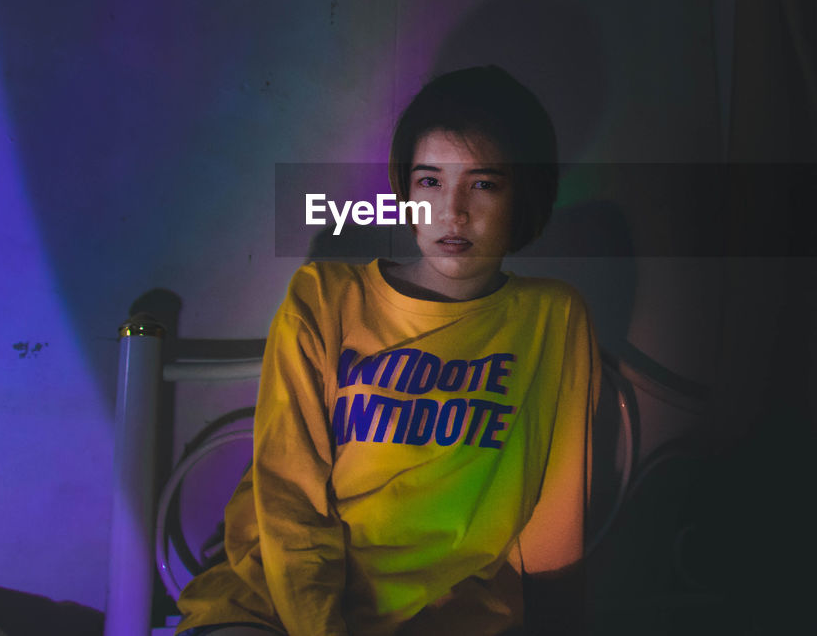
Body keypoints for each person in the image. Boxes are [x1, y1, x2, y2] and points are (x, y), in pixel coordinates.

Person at [175, 66, 601, 635]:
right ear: (405, 189)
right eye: (430, 181)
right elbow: (289, 501)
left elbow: (554, 522)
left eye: (483, 183)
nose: (452, 213)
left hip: (450, 618)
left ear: (523, 192)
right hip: (277, 603)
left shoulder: (553, 317)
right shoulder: (325, 298)